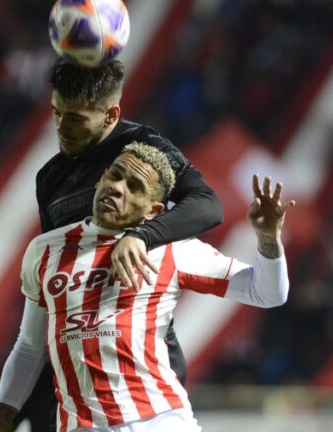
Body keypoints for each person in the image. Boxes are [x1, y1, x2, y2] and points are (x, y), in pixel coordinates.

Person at [0, 143, 295, 431]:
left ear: (154, 210)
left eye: (134, 187)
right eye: (115, 175)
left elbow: (266, 292)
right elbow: (29, 346)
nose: (118, 188)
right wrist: (2, 416)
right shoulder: (45, 250)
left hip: (158, 420)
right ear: (101, 178)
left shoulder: (173, 250)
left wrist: (268, 239)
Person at [15, 58, 224, 431]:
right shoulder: (49, 177)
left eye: (76, 118)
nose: (62, 127)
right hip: (78, 371)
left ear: (111, 114)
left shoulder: (141, 149)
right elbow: (53, 286)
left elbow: (207, 206)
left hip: (141, 368)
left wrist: (140, 236)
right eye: (56, 113)